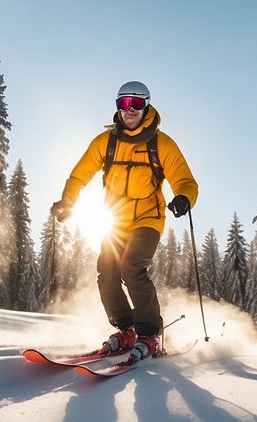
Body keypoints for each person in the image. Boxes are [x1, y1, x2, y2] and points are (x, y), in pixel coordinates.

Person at [51, 81, 198, 361]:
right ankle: (127, 329)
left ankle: (149, 332)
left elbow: (185, 180)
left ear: (146, 106)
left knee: (131, 267)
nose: (129, 110)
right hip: (115, 221)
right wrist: (68, 202)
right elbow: (79, 175)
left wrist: (184, 197)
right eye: (123, 104)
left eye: (136, 104)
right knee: (106, 273)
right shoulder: (105, 142)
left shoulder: (161, 143)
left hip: (148, 219)